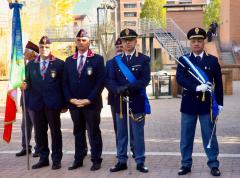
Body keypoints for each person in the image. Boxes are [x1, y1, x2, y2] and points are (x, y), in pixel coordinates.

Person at [176, 27, 223, 177]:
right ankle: (185, 164)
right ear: (190, 42)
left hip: (207, 105)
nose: (196, 43)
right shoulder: (184, 60)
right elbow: (180, 79)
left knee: (209, 135)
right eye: (193, 41)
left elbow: (219, 83)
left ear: (204, 42)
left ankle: (214, 164)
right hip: (189, 104)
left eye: (199, 41)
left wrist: (220, 103)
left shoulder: (212, 60)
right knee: (186, 137)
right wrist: (196, 87)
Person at [106, 28, 151, 173]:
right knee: (121, 133)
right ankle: (121, 160)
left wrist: (128, 88)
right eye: (125, 41)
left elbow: (144, 79)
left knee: (137, 133)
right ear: (122, 42)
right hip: (120, 102)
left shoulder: (143, 59)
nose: (127, 43)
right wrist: (118, 89)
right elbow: (109, 80)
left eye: (130, 40)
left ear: (135, 41)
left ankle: (139, 161)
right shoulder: (113, 62)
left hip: (136, 101)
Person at [63, 29, 105, 171]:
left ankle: (96, 159)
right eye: (78, 40)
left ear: (89, 42)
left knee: (93, 132)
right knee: (78, 132)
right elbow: (65, 83)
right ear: (76, 42)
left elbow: (100, 82)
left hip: (91, 104)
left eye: (84, 40)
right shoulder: (69, 61)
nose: (81, 43)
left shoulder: (97, 59)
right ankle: (78, 159)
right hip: (75, 104)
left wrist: (89, 100)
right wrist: (71, 99)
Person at [23, 36, 65, 170]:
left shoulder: (59, 64)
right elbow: (28, 84)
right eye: (41, 47)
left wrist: (64, 105)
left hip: (53, 104)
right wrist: (24, 86)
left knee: (55, 132)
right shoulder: (31, 64)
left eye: (47, 47)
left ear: (50, 48)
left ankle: (57, 159)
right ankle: (43, 158)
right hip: (37, 104)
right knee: (40, 132)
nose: (44, 49)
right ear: (39, 48)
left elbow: (63, 85)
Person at [16, 41, 39, 157]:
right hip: (25, 99)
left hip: (34, 100)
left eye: (26, 52)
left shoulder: (38, 63)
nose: (24, 54)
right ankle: (26, 147)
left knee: (37, 125)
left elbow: (37, 83)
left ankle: (39, 147)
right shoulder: (25, 64)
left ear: (33, 53)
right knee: (25, 125)